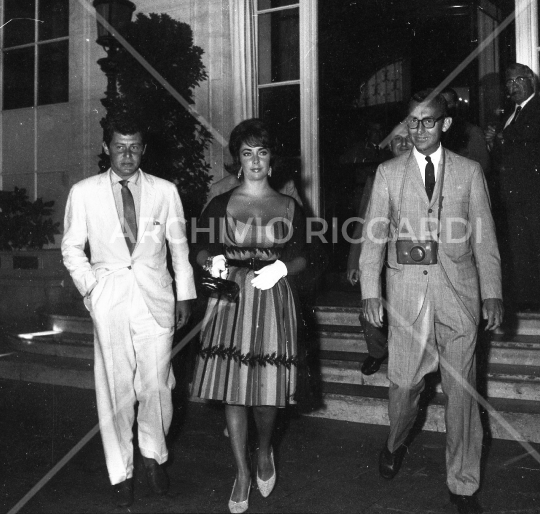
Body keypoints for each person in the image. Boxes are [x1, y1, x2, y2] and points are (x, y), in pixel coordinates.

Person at [360, 89, 503, 514]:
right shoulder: (388, 173)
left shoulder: (469, 172)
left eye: (427, 121)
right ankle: (396, 440)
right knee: (404, 386)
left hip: (459, 294)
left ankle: (462, 483)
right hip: (406, 296)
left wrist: (493, 291)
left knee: (462, 393)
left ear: (445, 124)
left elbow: (485, 237)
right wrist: (370, 291)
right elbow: (372, 239)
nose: (418, 129)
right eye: (412, 121)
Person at [62, 116, 196, 507]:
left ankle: (153, 455)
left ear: (144, 148)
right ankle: (121, 469)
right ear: (107, 148)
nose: (127, 155)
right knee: (117, 389)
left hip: (156, 299)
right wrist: (92, 287)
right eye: (119, 147)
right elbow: (71, 248)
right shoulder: (84, 192)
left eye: (134, 147)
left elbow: (179, 247)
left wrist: (185, 295)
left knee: (157, 384)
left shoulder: (164, 191)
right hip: (110, 300)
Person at [190, 118, 306, 514]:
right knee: (234, 389)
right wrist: (212, 261)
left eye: (262, 152)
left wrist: (284, 267)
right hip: (232, 299)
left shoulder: (290, 206)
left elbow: (310, 255)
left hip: (273, 299)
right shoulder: (220, 204)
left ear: (272, 161)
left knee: (266, 396)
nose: (255, 160)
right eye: (246, 153)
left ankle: (265, 450)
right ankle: (241, 471)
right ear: (237, 161)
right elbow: (200, 248)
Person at [347, 122, 413, 375]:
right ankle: (377, 352)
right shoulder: (378, 176)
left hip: (417, 262)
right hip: (381, 258)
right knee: (369, 309)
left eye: (407, 138)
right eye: (397, 140)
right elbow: (363, 222)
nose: (403, 144)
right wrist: (354, 263)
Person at [485, 63, 540, 311]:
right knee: (520, 251)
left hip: (533, 194)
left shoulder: (536, 109)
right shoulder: (510, 113)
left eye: (519, 79)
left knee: (533, 247)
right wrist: (493, 142)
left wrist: (501, 137)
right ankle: (527, 300)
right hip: (513, 196)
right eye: (509, 81)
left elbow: (525, 141)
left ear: (531, 81)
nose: (513, 85)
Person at [441, 87, 491, 174]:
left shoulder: (471, 131)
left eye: (448, 103)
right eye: (442, 103)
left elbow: (482, 166)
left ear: (456, 104)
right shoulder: (435, 130)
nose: (445, 107)